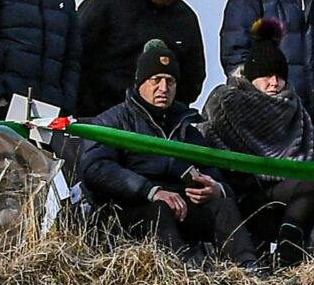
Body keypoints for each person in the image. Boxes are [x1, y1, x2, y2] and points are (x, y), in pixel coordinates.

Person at [79, 39, 251, 264]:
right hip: (132, 209)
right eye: (156, 80)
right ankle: (182, 272)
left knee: (224, 206)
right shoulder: (112, 121)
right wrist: (151, 191)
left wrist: (216, 189)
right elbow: (96, 168)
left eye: (170, 81)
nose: (163, 88)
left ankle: (249, 270)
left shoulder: (189, 130)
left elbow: (216, 174)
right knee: (159, 209)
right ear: (140, 82)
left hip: (182, 209)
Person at [202, 19, 314, 256]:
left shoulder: (293, 106)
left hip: (285, 188)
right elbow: (208, 141)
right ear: (252, 77)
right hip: (242, 192)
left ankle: (288, 249)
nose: (274, 83)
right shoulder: (226, 103)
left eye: (279, 76)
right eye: (267, 76)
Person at [74, 0, 201, 119]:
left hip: (154, 127)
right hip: (97, 121)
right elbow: (73, 57)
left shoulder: (186, 20)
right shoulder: (106, 5)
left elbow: (193, 80)